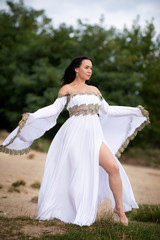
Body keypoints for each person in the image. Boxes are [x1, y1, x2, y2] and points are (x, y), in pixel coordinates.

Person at [0, 56, 149, 227]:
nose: (90, 71)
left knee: (114, 168)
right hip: (74, 136)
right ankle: (75, 210)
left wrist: (136, 112)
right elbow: (53, 110)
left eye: (91, 68)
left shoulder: (94, 90)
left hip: (94, 136)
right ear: (76, 69)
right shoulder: (67, 89)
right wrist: (32, 116)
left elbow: (109, 111)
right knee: (79, 174)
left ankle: (119, 209)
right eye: (86, 67)